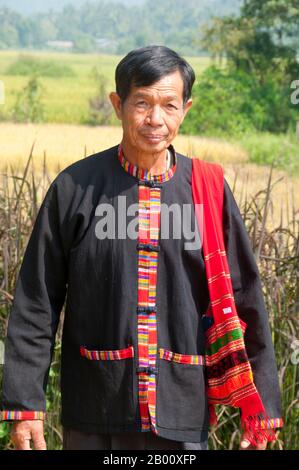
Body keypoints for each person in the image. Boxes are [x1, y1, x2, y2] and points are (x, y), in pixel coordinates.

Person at [0, 45, 283, 450]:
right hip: (96, 409)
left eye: (169, 105)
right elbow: (36, 301)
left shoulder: (207, 191)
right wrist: (25, 404)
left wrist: (264, 406)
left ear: (186, 108)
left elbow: (245, 298)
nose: (156, 119)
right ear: (118, 105)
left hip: (182, 408)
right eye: (142, 103)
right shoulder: (75, 189)